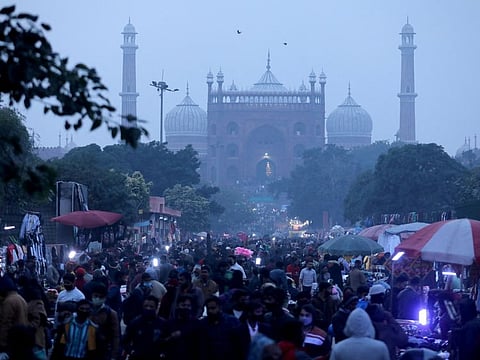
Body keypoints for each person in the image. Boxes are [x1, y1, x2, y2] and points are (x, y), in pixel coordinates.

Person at [198, 296, 250, 360]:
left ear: (219, 307)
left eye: (213, 308)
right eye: (208, 308)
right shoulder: (203, 324)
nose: (210, 311)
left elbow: (241, 343)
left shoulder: (232, 322)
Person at [122, 295, 169, 360]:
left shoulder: (163, 324)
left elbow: (167, 342)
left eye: (151, 306)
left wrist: (163, 353)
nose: (148, 308)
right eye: (146, 306)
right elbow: (125, 341)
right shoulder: (135, 323)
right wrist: (131, 351)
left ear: (156, 307)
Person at [89, 283, 120, 360]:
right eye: (96, 296)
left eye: (100, 297)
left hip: (103, 350)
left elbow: (115, 335)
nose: (97, 298)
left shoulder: (111, 313)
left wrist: (114, 355)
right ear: (92, 295)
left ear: (105, 298)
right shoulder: (86, 310)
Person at [0, 275, 29, 352]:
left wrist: (2, 343)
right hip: (22, 338)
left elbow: (5, 323)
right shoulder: (20, 298)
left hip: (12, 341)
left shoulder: (8, 301)